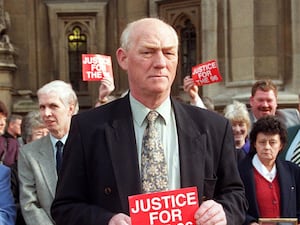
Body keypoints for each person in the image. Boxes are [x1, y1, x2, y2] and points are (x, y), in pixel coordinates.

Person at [51, 18, 247, 225]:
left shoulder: (213, 127)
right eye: (148, 52)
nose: (161, 63)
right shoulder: (88, 128)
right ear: (123, 58)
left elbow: (235, 195)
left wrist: (223, 212)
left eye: (169, 53)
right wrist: (106, 221)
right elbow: (65, 207)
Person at [18, 80, 78, 225]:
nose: (46, 113)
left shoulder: (91, 145)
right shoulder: (28, 153)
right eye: (42, 107)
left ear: (70, 109)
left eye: (53, 106)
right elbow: (30, 203)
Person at [238, 116, 300, 224]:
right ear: (254, 144)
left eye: (272, 142)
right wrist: (249, 222)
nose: (267, 147)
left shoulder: (293, 171)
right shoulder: (240, 172)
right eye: (262, 142)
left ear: (281, 145)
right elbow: (234, 206)